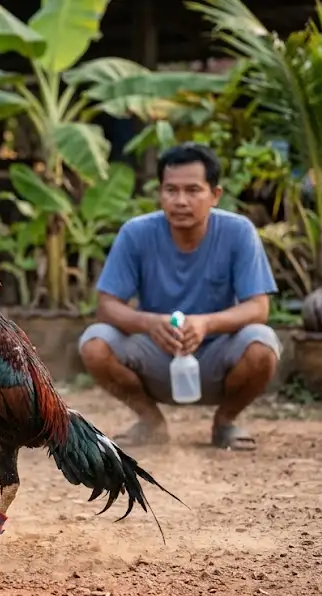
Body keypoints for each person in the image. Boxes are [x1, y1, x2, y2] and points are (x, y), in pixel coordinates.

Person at [78, 142, 280, 451]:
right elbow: (107, 306)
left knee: (262, 343)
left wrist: (206, 324)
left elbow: (258, 307)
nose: (181, 201)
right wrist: (148, 323)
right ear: (160, 193)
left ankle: (225, 422)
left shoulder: (238, 232)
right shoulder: (136, 233)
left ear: (215, 194)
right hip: (156, 356)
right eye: (171, 190)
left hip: (217, 357)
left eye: (193, 190)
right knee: (95, 343)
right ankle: (150, 421)